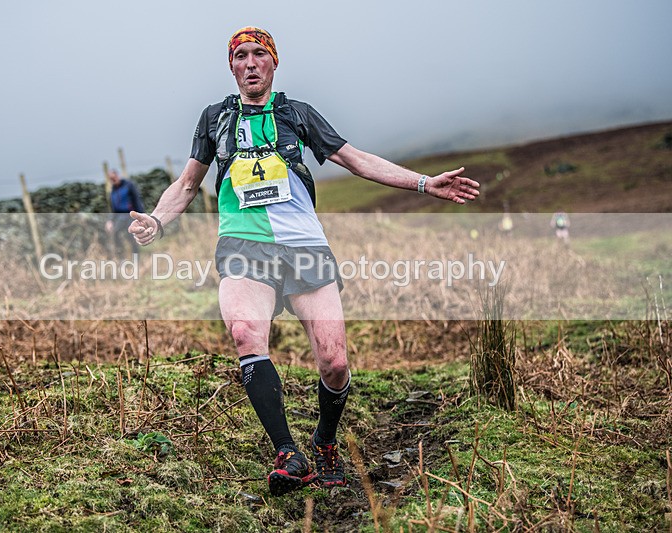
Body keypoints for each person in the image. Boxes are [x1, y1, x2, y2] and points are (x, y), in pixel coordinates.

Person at [129, 27, 480, 496]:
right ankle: (288, 453)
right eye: (241, 57)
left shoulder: (297, 114)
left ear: (274, 63)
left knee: (334, 363)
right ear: (231, 66)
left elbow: (356, 161)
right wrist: (157, 219)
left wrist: (423, 183)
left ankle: (325, 442)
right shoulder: (214, 119)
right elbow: (188, 184)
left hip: (304, 247)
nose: (250, 63)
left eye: (259, 54)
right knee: (244, 334)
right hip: (243, 245)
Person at [105, 169, 145, 256]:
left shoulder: (128, 185)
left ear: (117, 176)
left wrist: (141, 216)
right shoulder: (113, 191)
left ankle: (136, 260)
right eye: (111, 179)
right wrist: (110, 220)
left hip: (130, 215)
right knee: (115, 234)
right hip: (120, 216)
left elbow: (137, 201)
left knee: (132, 237)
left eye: (114, 178)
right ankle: (121, 258)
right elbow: (113, 208)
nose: (113, 180)